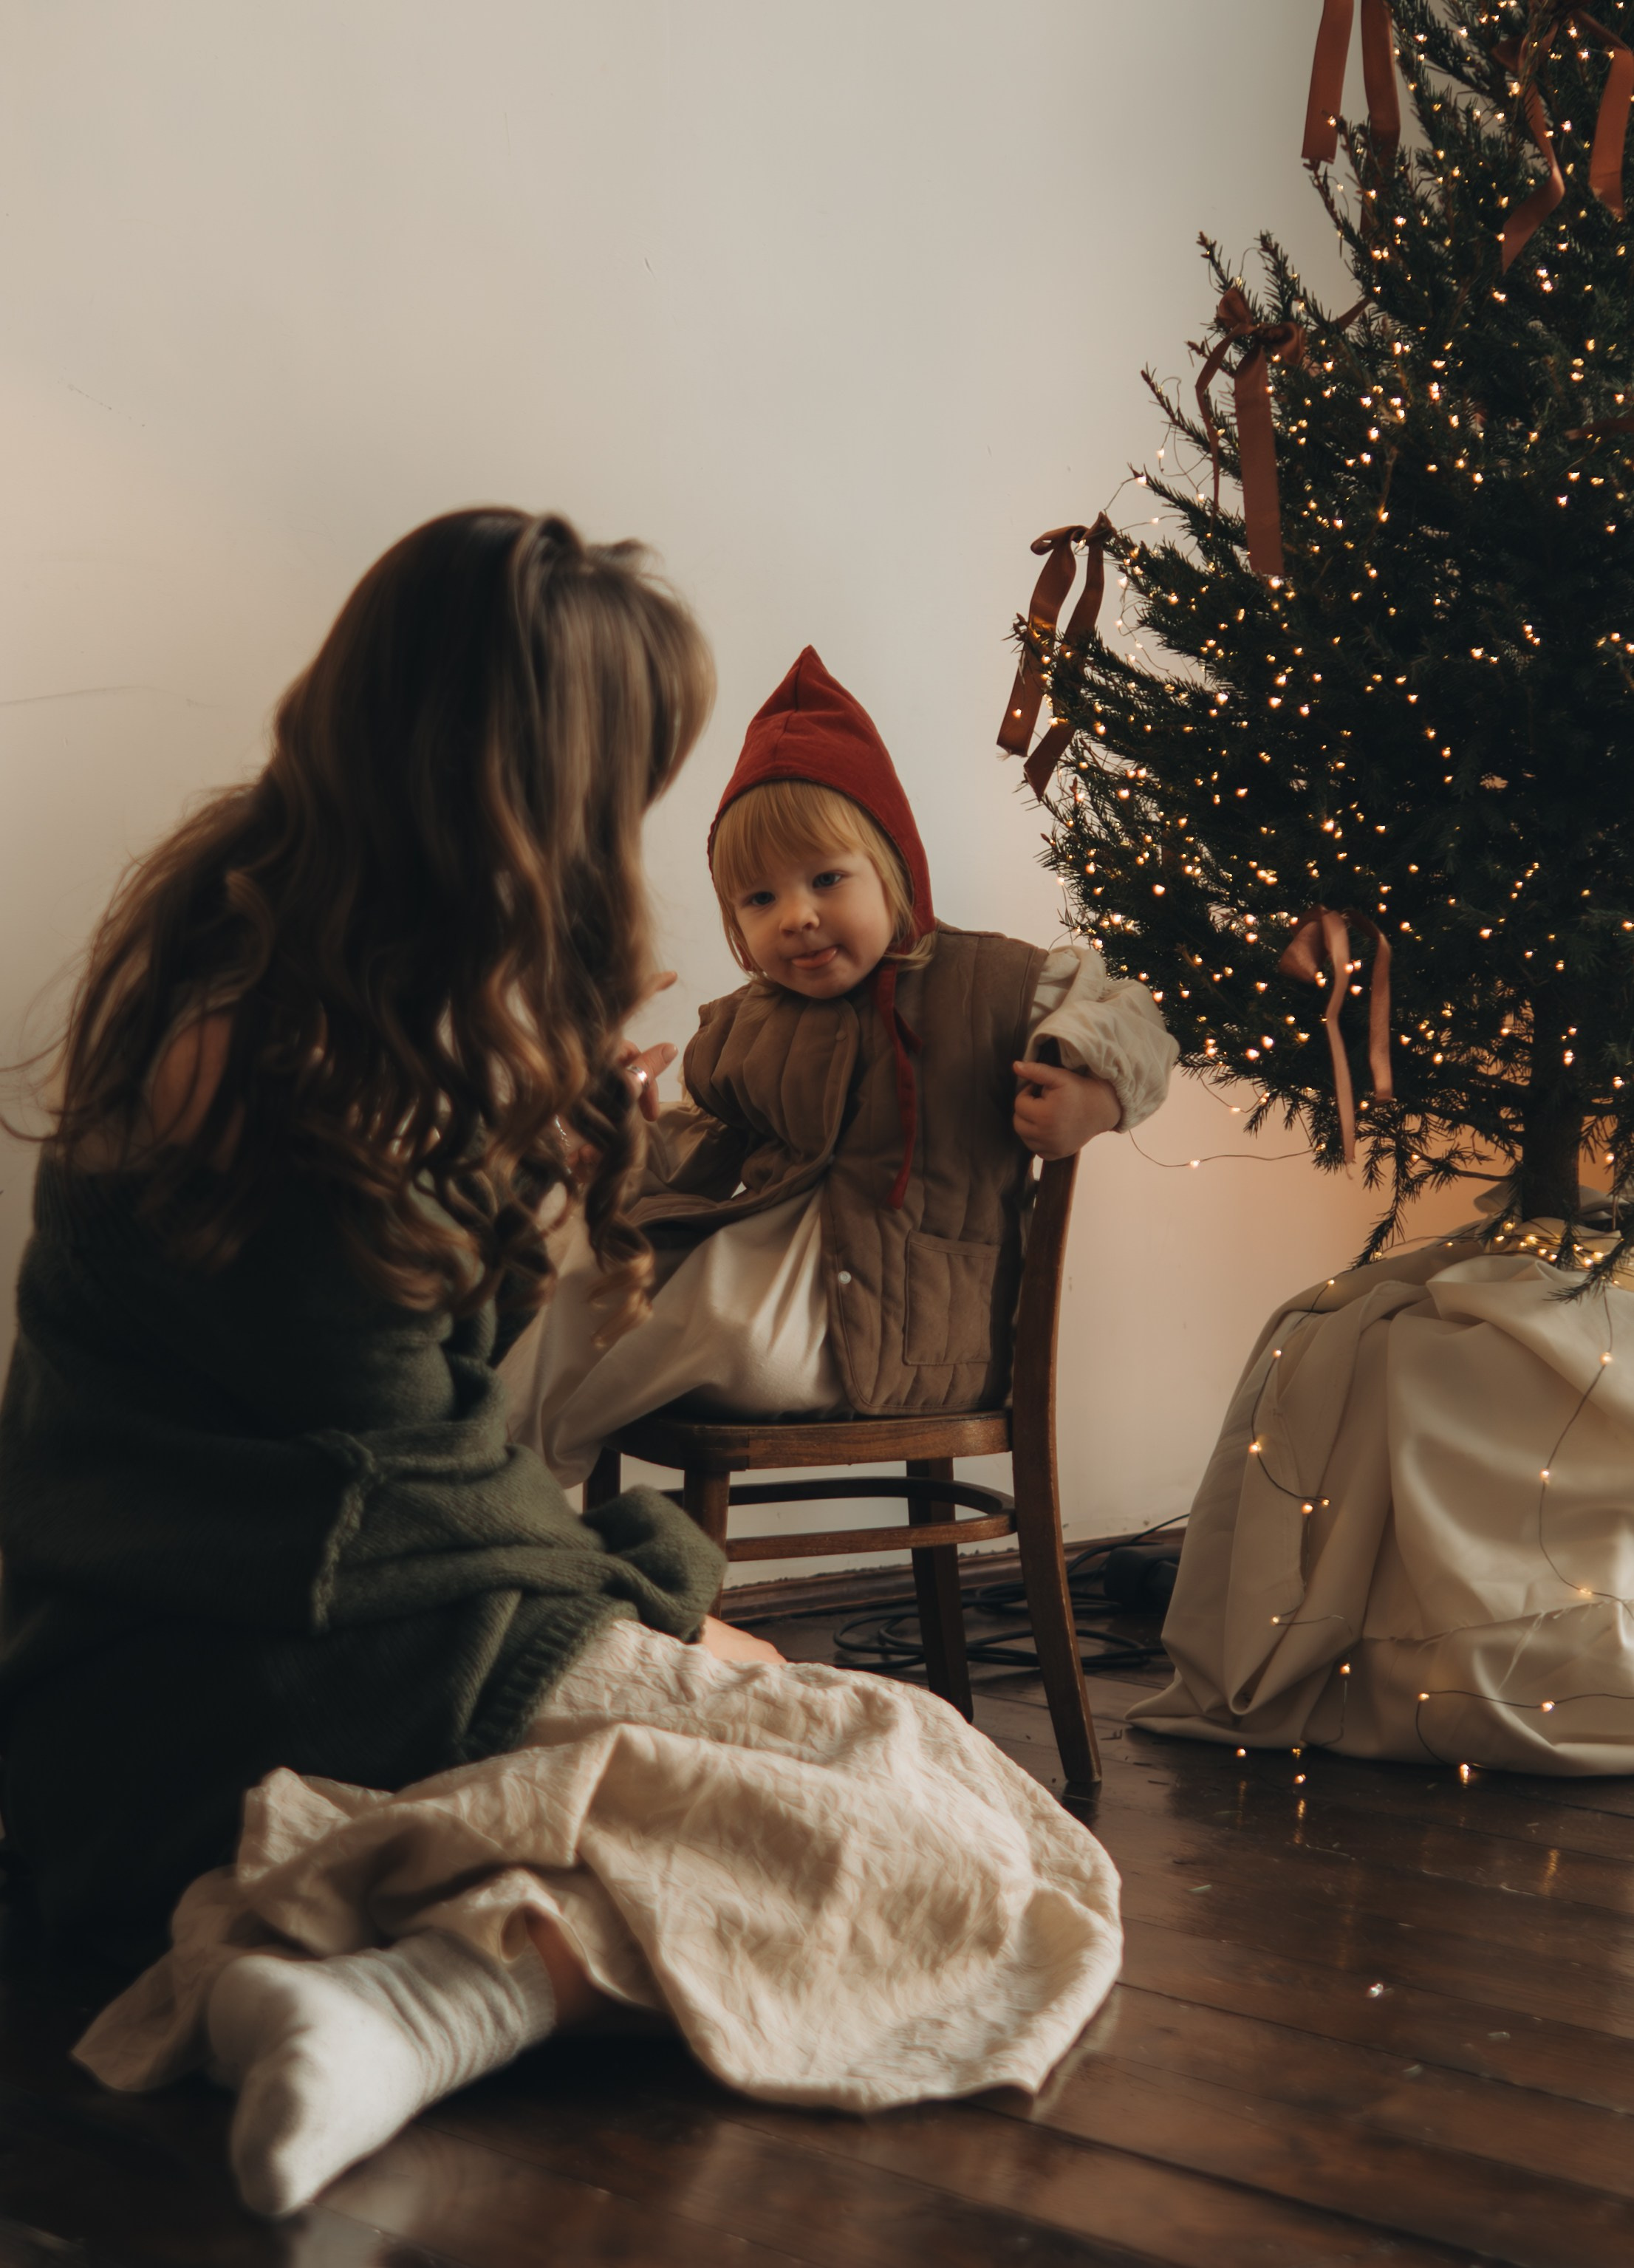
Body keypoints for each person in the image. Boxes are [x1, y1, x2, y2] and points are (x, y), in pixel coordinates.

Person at [0, 516, 1123, 2221]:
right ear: (532, 787)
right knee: (989, 1848)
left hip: (296, 1647)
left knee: (908, 1770)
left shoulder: (282, 947)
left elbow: (400, 1440)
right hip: (239, 1685)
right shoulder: (284, 1043)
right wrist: (657, 1600)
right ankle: (436, 1982)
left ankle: (390, 1984)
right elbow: (382, 1489)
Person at [502, 646, 1179, 1481]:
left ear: (892, 867)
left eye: (826, 879)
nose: (796, 917)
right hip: (779, 1291)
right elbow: (704, 1160)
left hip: (910, 1331)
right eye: (759, 899)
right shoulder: (747, 1025)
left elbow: (1138, 1021)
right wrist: (626, 1142)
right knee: (582, 1257)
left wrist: (1093, 1093)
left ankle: (508, 1472)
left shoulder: (996, 982)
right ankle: (499, 1474)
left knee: (707, 1308)